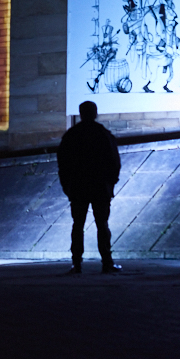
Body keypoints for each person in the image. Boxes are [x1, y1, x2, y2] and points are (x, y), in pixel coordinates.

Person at [57, 100, 122, 274]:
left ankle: (76, 263)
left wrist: (67, 186)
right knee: (102, 224)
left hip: (78, 187)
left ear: (80, 113)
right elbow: (114, 161)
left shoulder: (72, 135)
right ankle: (107, 262)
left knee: (77, 225)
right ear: (95, 113)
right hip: (100, 186)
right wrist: (111, 183)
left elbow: (63, 163)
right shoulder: (103, 134)